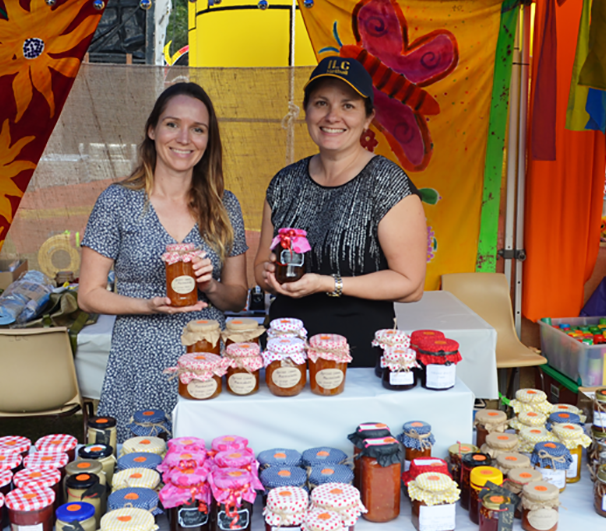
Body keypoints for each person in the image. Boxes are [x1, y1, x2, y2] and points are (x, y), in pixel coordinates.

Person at [78, 81, 248, 438]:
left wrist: (211, 286)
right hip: (137, 359)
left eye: (198, 129)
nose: (184, 138)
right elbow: (89, 294)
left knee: (207, 470)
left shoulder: (225, 206)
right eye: (173, 124)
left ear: (208, 140)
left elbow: (238, 296)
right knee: (138, 471)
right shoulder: (118, 202)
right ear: (152, 130)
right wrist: (147, 306)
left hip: (204, 360)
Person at [254, 57, 427, 367]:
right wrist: (269, 277)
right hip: (286, 354)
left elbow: (410, 284)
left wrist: (326, 283)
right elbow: (261, 268)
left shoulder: (387, 185)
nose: (332, 116)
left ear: (367, 118)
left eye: (348, 106)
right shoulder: (284, 183)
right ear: (306, 112)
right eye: (321, 103)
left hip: (359, 357)